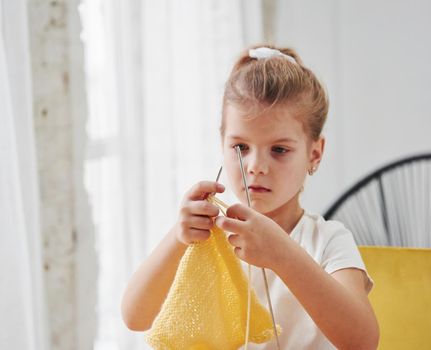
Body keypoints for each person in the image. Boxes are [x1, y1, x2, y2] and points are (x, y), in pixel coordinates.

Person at [121, 45, 379, 350]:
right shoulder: (208, 234)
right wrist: (178, 238)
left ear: (314, 153)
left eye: (279, 149)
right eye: (240, 147)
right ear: (222, 143)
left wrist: (282, 254)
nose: (255, 166)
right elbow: (135, 318)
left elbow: (362, 341)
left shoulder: (328, 241)